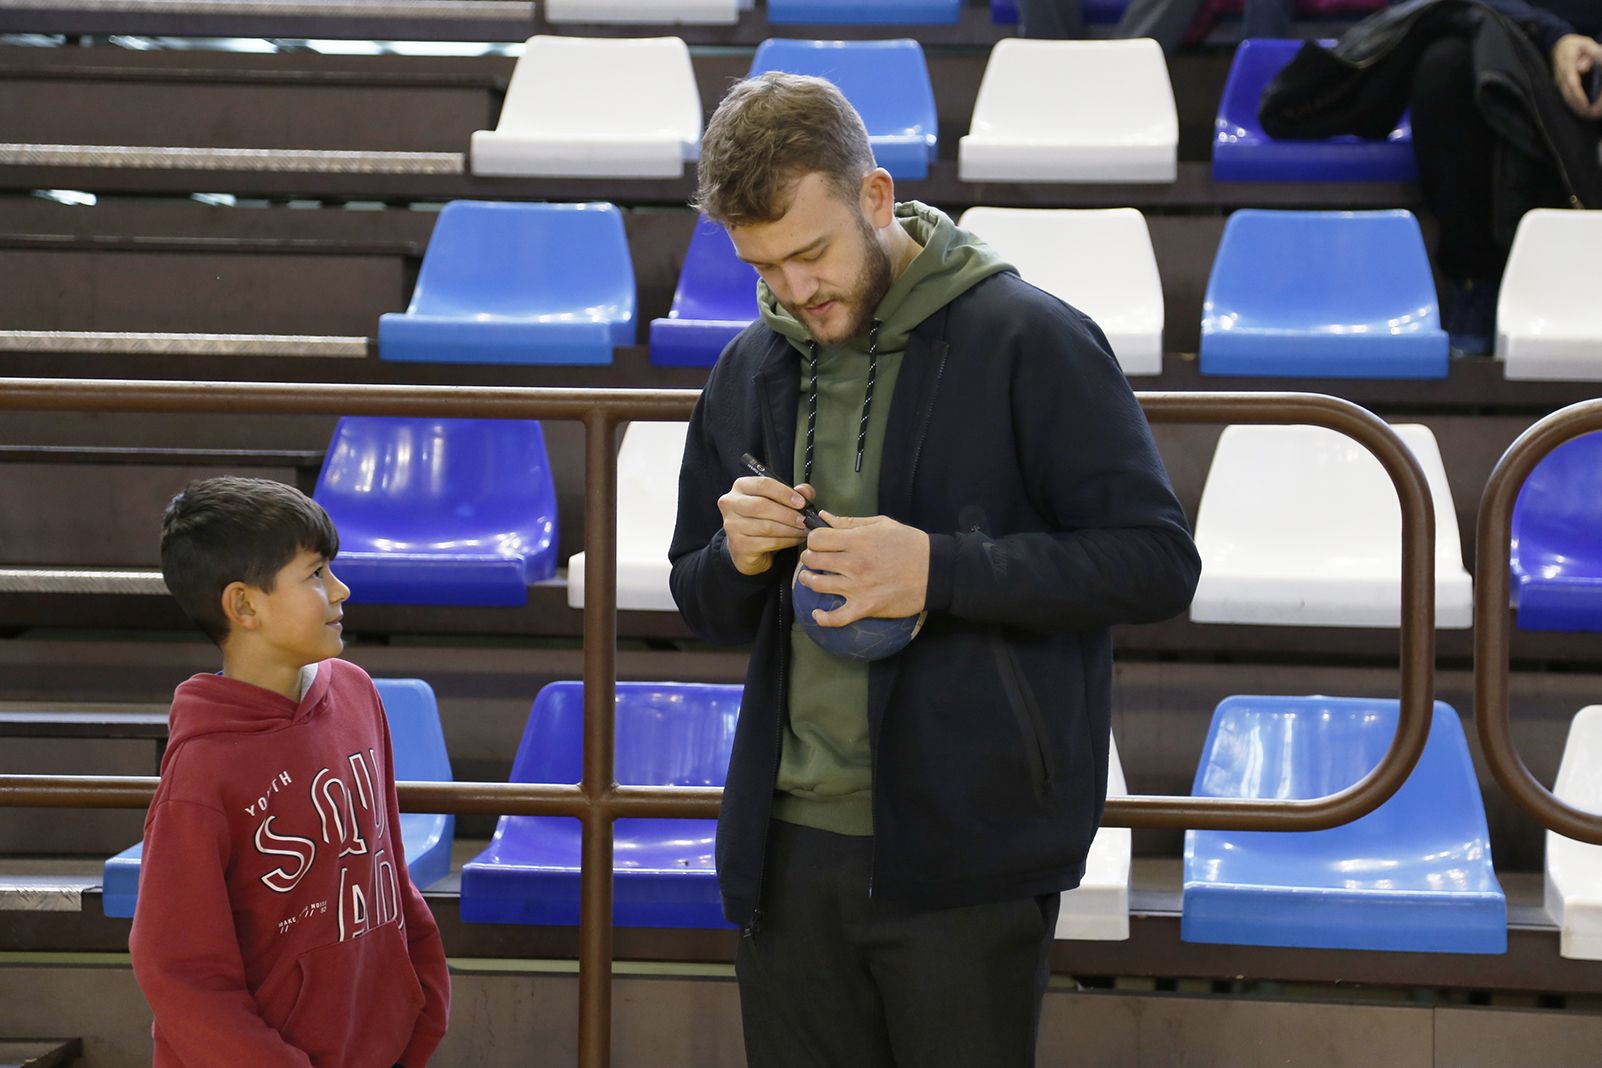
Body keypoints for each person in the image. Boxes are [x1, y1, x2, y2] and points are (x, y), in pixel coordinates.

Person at [669, 72, 1200, 1067]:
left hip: (970, 849)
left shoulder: (1029, 339)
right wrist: (733, 559)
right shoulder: (748, 366)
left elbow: (1155, 564)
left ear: (876, 196)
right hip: (785, 850)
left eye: (812, 253)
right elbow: (699, 599)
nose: (796, 289)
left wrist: (940, 570)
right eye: (765, 265)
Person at [129, 476, 450, 1067]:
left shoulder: (356, 692)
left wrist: (424, 1006)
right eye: (315, 575)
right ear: (244, 605)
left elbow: (388, 869)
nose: (341, 589)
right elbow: (178, 971)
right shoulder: (202, 770)